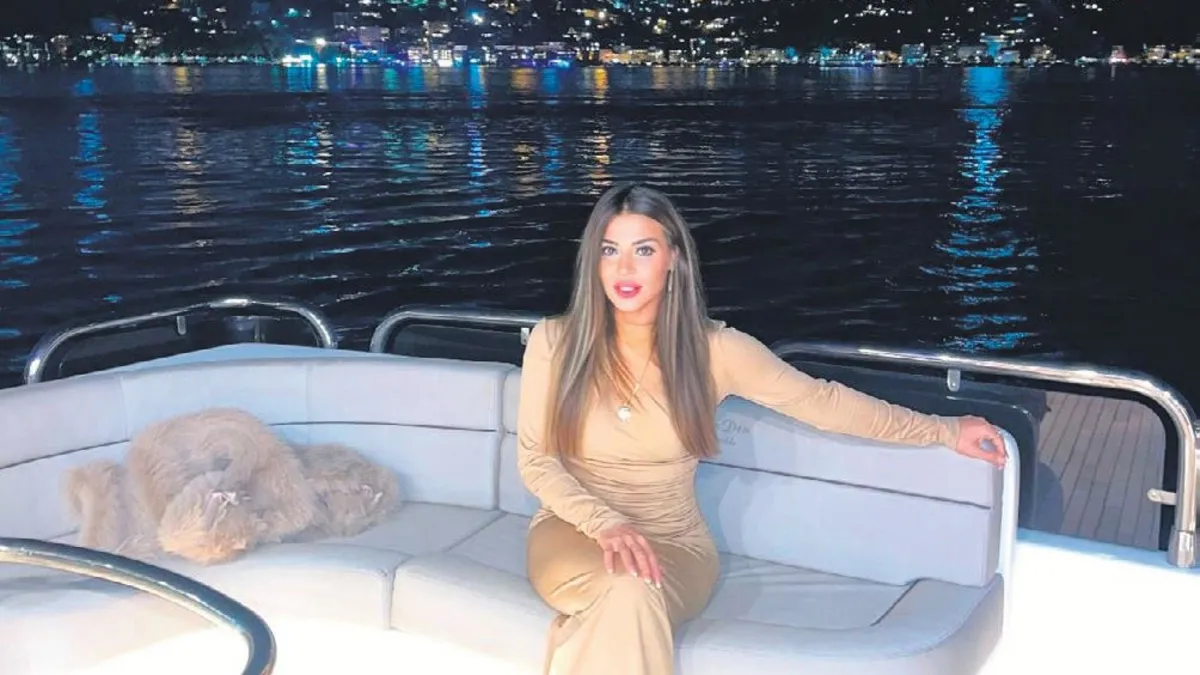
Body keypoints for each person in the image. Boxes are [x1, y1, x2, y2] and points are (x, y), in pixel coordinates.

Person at [516, 183, 1006, 675]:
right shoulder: (555, 342)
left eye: (643, 250)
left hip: (674, 544)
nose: (624, 268)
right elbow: (536, 460)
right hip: (572, 532)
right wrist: (605, 523)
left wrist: (942, 430)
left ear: (673, 259)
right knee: (625, 593)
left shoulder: (716, 351)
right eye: (610, 250)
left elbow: (822, 402)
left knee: (631, 591)